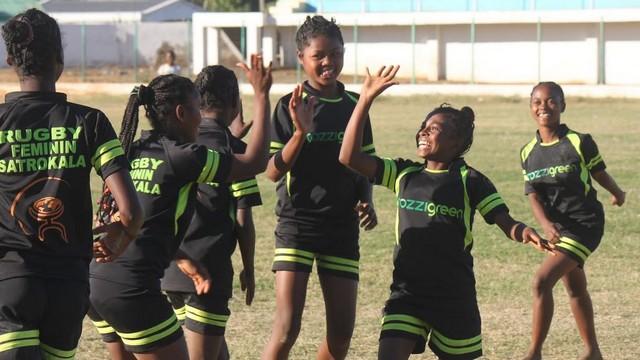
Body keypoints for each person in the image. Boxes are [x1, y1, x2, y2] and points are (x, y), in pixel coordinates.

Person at [338, 65, 553, 360]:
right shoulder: (404, 173)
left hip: (454, 297)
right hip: (407, 292)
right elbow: (348, 156)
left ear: (456, 143)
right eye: (423, 126)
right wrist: (365, 99)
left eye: (434, 128)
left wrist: (524, 232)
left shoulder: (471, 180)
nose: (423, 132)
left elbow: (505, 221)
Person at [88, 54, 272, 360]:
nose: (202, 118)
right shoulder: (184, 156)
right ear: (181, 113)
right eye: (197, 109)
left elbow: (144, 219)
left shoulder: (135, 149)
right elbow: (255, 162)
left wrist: (182, 257)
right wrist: (263, 95)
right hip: (130, 289)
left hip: (97, 281)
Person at [0, 8, 143, 359]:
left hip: (12, 279)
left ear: (10, 60)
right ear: (60, 59)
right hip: (70, 284)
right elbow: (130, 211)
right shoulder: (89, 121)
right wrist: (121, 237)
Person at [261, 15, 378, 360]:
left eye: (336, 54)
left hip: (341, 227)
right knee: (286, 329)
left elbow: (363, 166)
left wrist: (366, 200)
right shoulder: (289, 105)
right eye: (319, 56)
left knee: (341, 335)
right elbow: (271, 171)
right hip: (298, 224)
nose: (329, 63)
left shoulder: (354, 105)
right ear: (301, 57)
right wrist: (300, 132)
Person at [161, 65, 263, 360]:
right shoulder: (233, 152)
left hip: (170, 269)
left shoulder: (176, 142)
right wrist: (250, 269)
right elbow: (244, 221)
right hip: (208, 271)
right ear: (235, 101)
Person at [520, 82, 626, 360]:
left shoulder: (580, 142)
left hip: (585, 223)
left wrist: (617, 193)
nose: (544, 107)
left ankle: (534, 353)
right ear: (530, 107)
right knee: (575, 288)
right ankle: (593, 351)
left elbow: (599, 173)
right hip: (558, 230)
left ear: (563, 106)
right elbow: (532, 194)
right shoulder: (528, 152)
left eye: (552, 101)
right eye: (537, 102)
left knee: (541, 282)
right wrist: (544, 224)